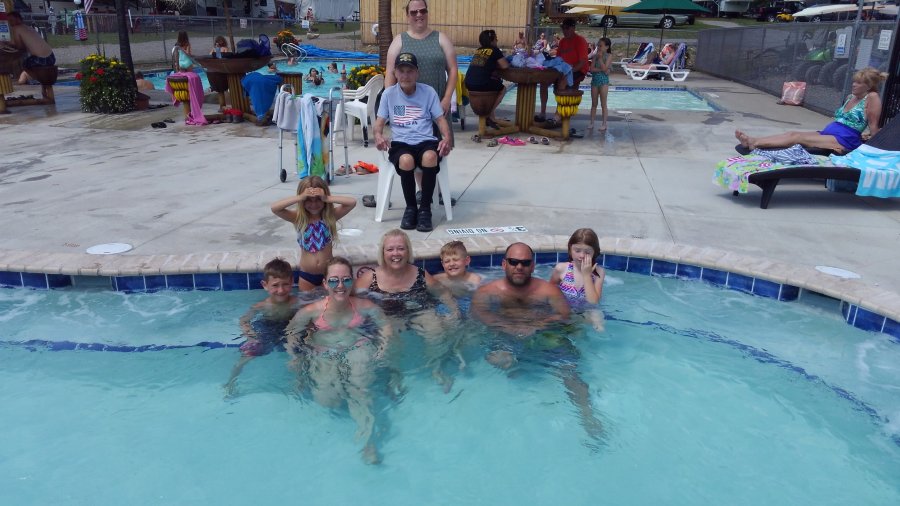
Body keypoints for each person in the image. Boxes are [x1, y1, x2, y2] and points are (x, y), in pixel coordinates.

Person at [471, 242, 603, 438]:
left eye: (525, 263)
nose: (519, 267)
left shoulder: (547, 291)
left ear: (533, 266)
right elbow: (478, 314)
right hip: (506, 335)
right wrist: (509, 327)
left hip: (544, 335)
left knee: (570, 371)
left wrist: (537, 325)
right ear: (503, 264)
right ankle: (521, 369)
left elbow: (564, 315)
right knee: (500, 359)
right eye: (513, 262)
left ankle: (587, 416)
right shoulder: (488, 291)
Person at [285, 257, 392, 464]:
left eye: (346, 280)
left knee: (360, 390)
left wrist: (383, 349)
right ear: (325, 283)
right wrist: (295, 358)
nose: (340, 286)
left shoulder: (364, 306)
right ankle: (342, 391)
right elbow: (291, 333)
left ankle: (368, 441)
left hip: (357, 348)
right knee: (328, 401)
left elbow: (385, 325)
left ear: (352, 281)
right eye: (334, 280)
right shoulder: (311, 311)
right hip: (323, 352)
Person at [354, 229, 460, 391]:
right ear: (383, 252)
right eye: (390, 249)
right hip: (389, 315)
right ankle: (395, 373)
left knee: (436, 330)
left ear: (408, 251)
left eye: (400, 248)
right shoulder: (370, 277)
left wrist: (455, 313)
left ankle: (435, 368)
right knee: (389, 340)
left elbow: (443, 293)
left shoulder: (419, 274)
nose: (395, 253)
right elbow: (353, 300)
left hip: (419, 310)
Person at [383, 0, 458, 207]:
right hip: (408, 111)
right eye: (414, 12)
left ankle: (433, 192)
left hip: (437, 107)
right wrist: (389, 108)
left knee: (434, 150)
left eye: (422, 11)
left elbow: (453, 70)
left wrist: (446, 98)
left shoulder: (441, 39)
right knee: (412, 148)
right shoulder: (399, 41)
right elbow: (390, 73)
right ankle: (425, 192)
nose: (419, 15)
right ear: (407, 15)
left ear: (427, 13)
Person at [374, 52, 452, 233]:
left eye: (410, 71)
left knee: (431, 157)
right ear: (395, 73)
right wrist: (378, 136)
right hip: (401, 142)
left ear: (417, 73)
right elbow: (379, 123)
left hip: (426, 140)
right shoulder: (389, 94)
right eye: (401, 71)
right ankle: (410, 208)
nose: (405, 75)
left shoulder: (428, 92)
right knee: (406, 161)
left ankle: (425, 209)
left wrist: (447, 138)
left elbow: (440, 120)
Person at [735, 67, 884, 154]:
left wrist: (875, 147)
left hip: (845, 139)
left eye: (859, 83)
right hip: (830, 133)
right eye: (854, 81)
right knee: (792, 134)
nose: (854, 85)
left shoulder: (872, 97)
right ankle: (755, 140)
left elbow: (873, 126)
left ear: (869, 85)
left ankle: (755, 143)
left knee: (798, 139)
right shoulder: (850, 96)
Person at [224, 258, 300, 397]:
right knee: (245, 357)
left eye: (285, 284)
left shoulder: (296, 302)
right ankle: (230, 384)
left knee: (297, 354)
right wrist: (251, 336)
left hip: (289, 327)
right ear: (265, 285)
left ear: (292, 282)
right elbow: (244, 320)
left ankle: (298, 385)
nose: (281, 290)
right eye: (275, 285)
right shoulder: (262, 306)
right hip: (267, 328)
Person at [270, 176, 357, 291]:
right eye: (308, 200)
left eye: (318, 199)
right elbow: (275, 208)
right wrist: (300, 197)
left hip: (327, 275)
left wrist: (327, 198)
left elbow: (352, 202)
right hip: (307, 276)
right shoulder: (298, 218)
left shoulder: (330, 217)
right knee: (307, 306)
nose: (314, 204)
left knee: (328, 306)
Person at [548, 228, 606, 331]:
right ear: (570, 249)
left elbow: (593, 302)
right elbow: (548, 291)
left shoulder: (599, 273)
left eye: (587, 252)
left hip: (586, 312)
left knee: (598, 322)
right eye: (577, 250)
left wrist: (586, 275)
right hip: (564, 309)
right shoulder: (561, 269)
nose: (581, 256)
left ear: (595, 252)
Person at [537, 18, 589, 125]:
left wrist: (570, 71)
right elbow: (558, 59)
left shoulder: (580, 41)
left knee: (563, 81)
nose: (565, 31)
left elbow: (583, 62)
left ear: (573, 28)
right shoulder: (563, 41)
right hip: (563, 68)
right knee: (543, 81)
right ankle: (542, 113)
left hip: (577, 69)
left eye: (567, 28)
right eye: (563, 28)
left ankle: (557, 116)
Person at [464, 29, 511, 130]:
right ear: (492, 40)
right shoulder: (494, 50)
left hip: (469, 83)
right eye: (496, 39)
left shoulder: (479, 50)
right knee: (502, 89)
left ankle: (492, 117)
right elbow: (505, 66)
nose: (497, 41)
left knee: (494, 82)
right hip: (482, 84)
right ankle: (489, 114)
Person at [1, 12, 56, 86]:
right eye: (9, 21)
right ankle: (35, 77)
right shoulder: (28, 27)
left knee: (24, 64)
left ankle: (34, 78)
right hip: (51, 57)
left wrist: (6, 43)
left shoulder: (16, 28)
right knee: (28, 61)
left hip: (40, 59)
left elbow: (19, 46)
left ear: (18, 19)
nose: (10, 23)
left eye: (11, 20)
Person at [588, 37, 612, 131]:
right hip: (595, 81)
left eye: (600, 45)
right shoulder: (595, 56)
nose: (598, 47)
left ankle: (604, 123)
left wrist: (600, 59)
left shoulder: (609, 56)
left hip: (604, 82)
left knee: (603, 104)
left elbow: (605, 69)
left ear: (607, 47)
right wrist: (601, 69)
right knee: (594, 104)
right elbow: (591, 69)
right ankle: (592, 122)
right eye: (598, 45)